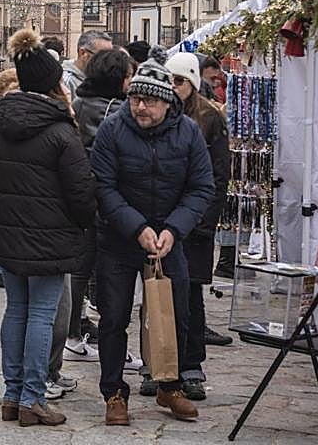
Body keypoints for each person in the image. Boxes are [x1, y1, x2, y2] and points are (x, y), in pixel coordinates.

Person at [0, 28, 96, 428]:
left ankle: (12, 396)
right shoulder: (60, 130)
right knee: (42, 314)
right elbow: (81, 194)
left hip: (6, 236)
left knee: (16, 311)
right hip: (50, 239)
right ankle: (33, 398)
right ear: (52, 83)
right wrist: (84, 225)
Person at [90, 60, 215, 425]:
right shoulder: (112, 129)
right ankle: (114, 392)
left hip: (167, 238)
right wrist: (136, 227)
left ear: (167, 103)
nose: (141, 107)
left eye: (150, 101)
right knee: (113, 317)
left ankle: (169, 385)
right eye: (135, 99)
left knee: (175, 314)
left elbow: (201, 187)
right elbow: (103, 186)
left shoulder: (188, 133)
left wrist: (174, 229)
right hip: (119, 238)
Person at [165, 52, 232, 400]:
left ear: (191, 81)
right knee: (158, 295)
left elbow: (219, 176)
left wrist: (205, 221)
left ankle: (191, 365)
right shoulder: (159, 112)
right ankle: (158, 365)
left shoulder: (209, 118)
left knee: (191, 296)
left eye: (179, 80)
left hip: (196, 224)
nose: (173, 87)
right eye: (169, 80)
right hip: (164, 222)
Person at [65, 48, 137, 364]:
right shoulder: (119, 112)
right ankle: (104, 344)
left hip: (80, 196)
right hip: (107, 200)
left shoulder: (79, 104)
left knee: (80, 269)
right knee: (106, 274)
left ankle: (73, 333)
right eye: (128, 76)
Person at [61, 31, 115, 102]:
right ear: (83, 53)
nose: (109, 62)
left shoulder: (106, 78)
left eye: (111, 57)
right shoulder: (65, 81)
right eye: (103, 57)